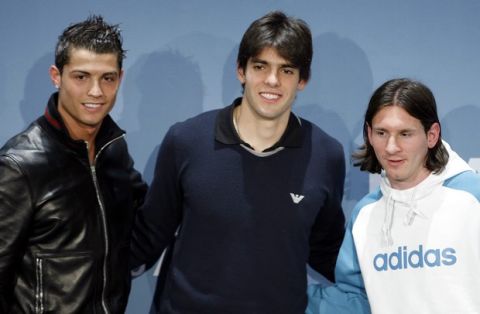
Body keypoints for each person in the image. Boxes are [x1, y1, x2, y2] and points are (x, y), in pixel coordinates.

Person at [130, 10, 346, 314]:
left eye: (286, 70)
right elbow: (148, 237)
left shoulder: (326, 155)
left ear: (303, 80)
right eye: (261, 66)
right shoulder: (187, 141)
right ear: (241, 71)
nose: (272, 80)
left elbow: (328, 251)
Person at [0, 15, 147, 313]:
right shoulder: (19, 165)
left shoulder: (114, 148)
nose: (96, 92)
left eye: (107, 78)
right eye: (81, 77)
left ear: (119, 78)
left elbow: (148, 214)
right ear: (57, 76)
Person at [307, 78, 480, 314]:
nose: (391, 147)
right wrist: (285, 293)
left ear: (432, 135)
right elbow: (356, 299)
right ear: (368, 134)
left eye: (405, 134)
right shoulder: (365, 214)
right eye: (381, 132)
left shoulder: (472, 197)